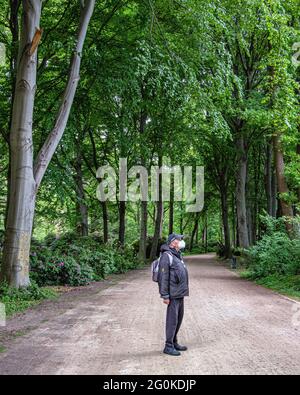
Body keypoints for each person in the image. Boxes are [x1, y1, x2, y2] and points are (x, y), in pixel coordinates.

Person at [158, 233, 189, 356]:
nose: (181, 241)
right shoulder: (167, 255)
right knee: (172, 320)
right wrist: (165, 295)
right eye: (179, 239)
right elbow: (163, 277)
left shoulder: (177, 255)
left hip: (179, 293)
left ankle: (174, 342)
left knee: (178, 319)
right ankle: (168, 346)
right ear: (173, 242)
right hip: (172, 294)